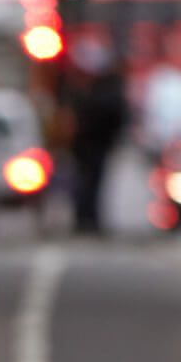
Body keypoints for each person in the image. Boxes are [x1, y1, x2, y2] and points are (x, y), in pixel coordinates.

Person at [65, 39, 128, 235]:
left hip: (97, 142)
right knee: (87, 182)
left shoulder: (101, 87)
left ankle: (89, 219)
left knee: (93, 182)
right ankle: (85, 219)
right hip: (89, 143)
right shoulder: (84, 88)